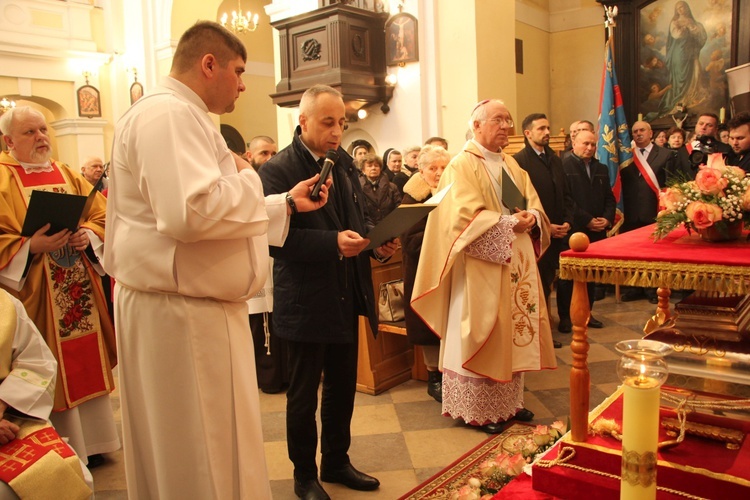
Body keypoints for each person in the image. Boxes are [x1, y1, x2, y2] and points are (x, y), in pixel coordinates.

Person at [104, 21, 330, 499]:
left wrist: (283, 202)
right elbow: (190, 212)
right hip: (179, 313)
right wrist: (251, 174)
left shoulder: (182, 116)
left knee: (215, 444)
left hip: (192, 306)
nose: (245, 84)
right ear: (209, 64)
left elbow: (205, 208)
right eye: (239, 70)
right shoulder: (166, 115)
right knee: (198, 449)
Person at [259, 84, 397, 500]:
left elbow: (355, 219)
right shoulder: (278, 171)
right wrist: (333, 243)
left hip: (344, 292)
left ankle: (336, 460)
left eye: (342, 122)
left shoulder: (341, 164)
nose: (338, 131)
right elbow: (272, 241)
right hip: (305, 298)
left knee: (341, 384)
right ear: (302, 121)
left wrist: (376, 243)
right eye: (328, 122)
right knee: (303, 394)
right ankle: (304, 475)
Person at [411, 99, 557, 435]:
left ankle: (509, 404)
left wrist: (531, 217)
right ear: (476, 125)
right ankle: (478, 410)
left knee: (510, 334)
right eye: (498, 120)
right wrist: (507, 224)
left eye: (508, 120)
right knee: (482, 332)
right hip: (478, 269)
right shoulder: (461, 165)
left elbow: (532, 203)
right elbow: (461, 218)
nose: (506, 126)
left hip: (513, 265)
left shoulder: (511, 166)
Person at [0, 106, 120, 469]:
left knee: (84, 358)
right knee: (45, 361)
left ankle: (97, 441)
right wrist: (29, 247)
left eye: (43, 130)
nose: (40, 138)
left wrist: (90, 235)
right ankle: (60, 444)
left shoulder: (67, 173)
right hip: (34, 293)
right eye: (30, 133)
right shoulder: (3, 179)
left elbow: (102, 213)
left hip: (76, 285)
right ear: (8, 141)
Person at [0, 289, 93, 498]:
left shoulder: (5, 305)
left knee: (66, 470)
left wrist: (3, 402)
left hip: (8, 415)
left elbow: (38, 362)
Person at [513, 113, 574, 348]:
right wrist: (546, 226)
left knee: (553, 280)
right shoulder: (519, 161)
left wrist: (567, 221)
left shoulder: (555, 159)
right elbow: (522, 203)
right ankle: (539, 333)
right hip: (537, 233)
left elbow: (565, 194)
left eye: (548, 127)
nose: (547, 132)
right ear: (528, 133)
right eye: (541, 128)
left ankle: (554, 325)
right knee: (537, 284)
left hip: (560, 231)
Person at [400, 145, 450, 402]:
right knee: (429, 326)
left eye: (443, 168)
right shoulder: (413, 198)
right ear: (421, 169)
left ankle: (450, 377)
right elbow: (411, 242)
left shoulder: (451, 194)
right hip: (423, 274)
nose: (439, 173)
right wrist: (443, 234)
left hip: (448, 271)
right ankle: (434, 378)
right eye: (433, 168)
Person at [557, 130, 615, 333]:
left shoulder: (601, 167)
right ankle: (566, 317)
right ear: (574, 142)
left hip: (597, 231)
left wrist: (606, 218)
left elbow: (609, 197)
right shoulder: (564, 165)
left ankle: (587, 313)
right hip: (574, 229)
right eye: (585, 144)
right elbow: (567, 199)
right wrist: (587, 220)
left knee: (590, 274)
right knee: (568, 276)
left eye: (593, 144)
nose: (590, 148)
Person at [243, 135, 288, 395]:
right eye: (263, 154)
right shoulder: (245, 185)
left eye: (273, 152)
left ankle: (286, 374)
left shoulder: (281, 182)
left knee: (280, 319)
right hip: (256, 258)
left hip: (279, 259)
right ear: (251, 157)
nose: (269, 158)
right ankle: (268, 377)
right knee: (260, 325)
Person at [620, 121, 676, 304]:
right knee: (632, 252)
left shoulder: (665, 154)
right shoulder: (626, 157)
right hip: (630, 212)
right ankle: (633, 287)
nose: (638, 134)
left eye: (642, 130)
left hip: (653, 212)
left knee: (653, 253)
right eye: (634, 132)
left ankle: (653, 289)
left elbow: (670, 186)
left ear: (651, 133)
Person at [659, 1, 708, 115]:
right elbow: (677, 35)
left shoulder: (694, 22)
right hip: (679, 53)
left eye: (683, 7)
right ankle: (679, 99)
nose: (681, 10)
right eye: (678, 8)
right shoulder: (675, 22)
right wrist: (685, 29)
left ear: (687, 8)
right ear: (676, 11)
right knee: (681, 76)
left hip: (691, 52)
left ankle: (689, 98)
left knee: (694, 72)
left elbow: (702, 36)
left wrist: (692, 28)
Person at [359, 153, 402, 225]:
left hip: (389, 226)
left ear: (380, 168)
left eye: (376, 166)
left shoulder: (392, 187)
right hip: (367, 229)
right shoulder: (358, 188)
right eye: (369, 166)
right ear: (363, 170)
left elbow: (398, 208)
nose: (373, 168)